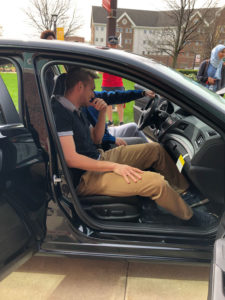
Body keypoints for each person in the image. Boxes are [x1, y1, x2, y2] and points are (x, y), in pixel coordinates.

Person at [52, 67, 217, 227]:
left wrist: (102, 112)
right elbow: (71, 158)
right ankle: (192, 218)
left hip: (98, 158)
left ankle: (185, 194)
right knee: (156, 183)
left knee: (156, 150)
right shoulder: (60, 112)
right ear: (80, 86)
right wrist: (115, 167)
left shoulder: (76, 109)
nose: (93, 94)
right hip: (85, 178)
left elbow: (96, 138)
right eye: (91, 89)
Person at [102, 36, 125, 126]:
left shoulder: (120, 55)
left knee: (120, 103)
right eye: (111, 44)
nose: (113, 46)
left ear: (117, 45)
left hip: (118, 82)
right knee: (108, 103)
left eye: (114, 44)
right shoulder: (104, 55)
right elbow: (100, 70)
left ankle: (121, 122)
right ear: (108, 44)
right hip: (106, 83)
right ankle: (110, 121)